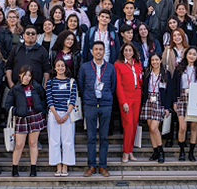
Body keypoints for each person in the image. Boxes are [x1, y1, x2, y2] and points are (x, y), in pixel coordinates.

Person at [78, 41, 117, 177]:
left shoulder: (111, 68)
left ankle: (103, 166)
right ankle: (91, 166)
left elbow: (113, 86)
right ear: (92, 51)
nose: (99, 52)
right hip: (90, 104)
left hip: (106, 104)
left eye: (101, 49)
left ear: (104, 51)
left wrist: (106, 96)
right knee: (91, 137)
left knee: (104, 137)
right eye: (96, 49)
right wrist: (89, 97)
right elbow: (81, 85)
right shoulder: (85, 67)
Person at [6, 65, 47, 177]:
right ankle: (15, 168)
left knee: (33, 143)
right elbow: (7, 105)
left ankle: (33, 168)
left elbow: (44, 97)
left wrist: (40, 108)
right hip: (21, 116)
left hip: (35, 115)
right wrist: (17, 111)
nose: (27, 77)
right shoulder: (15, 89)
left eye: (29, 75)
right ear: (20, 75)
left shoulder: (36, 86)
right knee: (19, 144)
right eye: (25, 75)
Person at [172, 47, 197, 162]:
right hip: (182, 97)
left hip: (195, 97)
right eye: (190, 53)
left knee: (194, 126)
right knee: (182, 127)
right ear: (186, 55)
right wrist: (175, 101)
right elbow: (175, 85)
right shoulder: (180, 68)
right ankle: (182, 151)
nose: (191, 56)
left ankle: (191, 152)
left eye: (194, 54)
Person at [45, 58, 78, 176]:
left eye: (62, 66)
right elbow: (49, 99)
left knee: (67, 141)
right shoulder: (50, 82)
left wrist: (66, 114)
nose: (60, 68)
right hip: (54, 114)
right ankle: (57, 166)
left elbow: (73, 99)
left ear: (66, 68)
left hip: (67, 114)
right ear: (55, 68)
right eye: (58, 66)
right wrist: (56, 115)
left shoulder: (71, 82)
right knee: (54, 141)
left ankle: (65, 166)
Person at [140, 53, 172, 163]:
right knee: (150, 127)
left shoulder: (166, 74)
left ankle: (161, 150)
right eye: (152, 60)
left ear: (161, 60)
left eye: (156, 60)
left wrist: (167, 107)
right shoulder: (148, 73)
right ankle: (155, 151)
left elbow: (169, 93)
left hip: (159, 101)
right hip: (149, 99)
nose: (154, 62)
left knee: (154, 127)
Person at [115, 43, 143, 163]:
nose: (128, 52)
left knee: (134, 125)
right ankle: (125, 153)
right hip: (126, 98)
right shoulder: (118, 64)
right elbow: (118, 85)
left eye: (130, 50)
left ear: (133, 52)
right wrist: (123, 102)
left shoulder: (138, 64)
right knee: (128, 125)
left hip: (137, 97)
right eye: (125, 50)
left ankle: (130, 151)